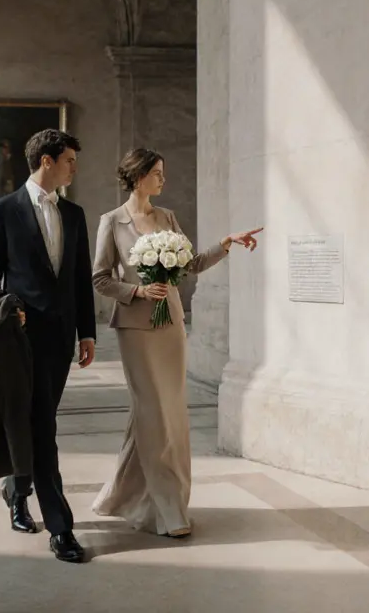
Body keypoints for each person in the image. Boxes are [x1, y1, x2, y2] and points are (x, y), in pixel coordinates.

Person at [90, 148, 262, 538]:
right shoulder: (111, 222)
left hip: (170, 327)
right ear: (137, 177)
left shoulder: (167, 218)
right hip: (135, 329)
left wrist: (227, 243)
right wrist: (136, 291)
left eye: (163, 174)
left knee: (168, 415)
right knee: (153, 414)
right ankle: (168, 511)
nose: (163, 180)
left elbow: (191, 264)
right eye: (156, 173)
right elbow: (99, 278)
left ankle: (121, 495)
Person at [0, 128, 96, 563]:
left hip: (61, 339)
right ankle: (61, 528)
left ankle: (16, 488)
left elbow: (80, 278)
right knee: (43, 429)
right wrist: (8, 307)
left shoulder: (76, 214)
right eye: (68, 161)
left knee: (37, 421)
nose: (73, 168)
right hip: (18, 339)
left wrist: (87, 331)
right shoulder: (2, 211)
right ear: (47, 161)